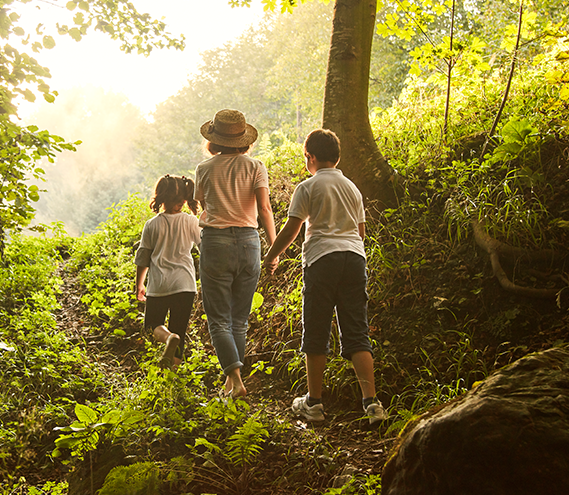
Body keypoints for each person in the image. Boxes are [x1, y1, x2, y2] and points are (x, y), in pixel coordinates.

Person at [263, 129, 387, 424]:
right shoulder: (352, 188)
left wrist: (271, 255)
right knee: (357, 331)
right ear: (338, 157)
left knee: (317, 330)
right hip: (355, 259)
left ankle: (314, 403)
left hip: (322, 260)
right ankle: (372, 404)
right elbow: (361, 232)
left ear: (311, 157)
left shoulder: (307, 187)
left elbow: (292, 229)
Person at [195, 109, 277, 398]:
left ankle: (235, 379)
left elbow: (201, 204)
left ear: (214, 140)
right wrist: (274, 249)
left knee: (218, 319)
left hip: (216, 243)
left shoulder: (204, 169)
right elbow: (265, 209)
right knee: (239, 319)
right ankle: (232, 383)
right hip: (249, 242)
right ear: (244, 140)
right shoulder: (256, 166)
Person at [134, 174, 202, 368]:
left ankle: (168, 338)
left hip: (159, 284)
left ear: (161, 198)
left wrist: (139, 284)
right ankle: (172, 372)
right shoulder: (191, 221)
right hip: (185, 284)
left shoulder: (152, 225)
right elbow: (204, 248)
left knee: (151, 326)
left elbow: (143, 257)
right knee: (180, 328)